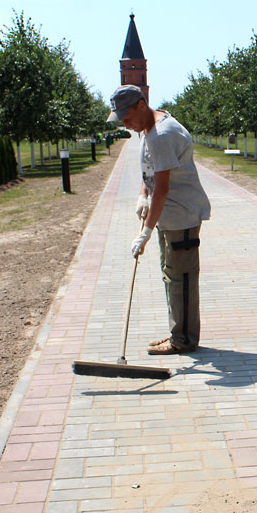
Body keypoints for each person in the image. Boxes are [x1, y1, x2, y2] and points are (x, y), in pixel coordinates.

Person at [107, 85, 211, 355]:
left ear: (141, 105)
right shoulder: (150, 129)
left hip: (181, 216)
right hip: (169, 214)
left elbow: (162, 189)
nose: (126, 125)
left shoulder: (162, 135)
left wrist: (146, 231)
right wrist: (143, 195)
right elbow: (151, 174)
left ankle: (184, 340)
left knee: (182, 279)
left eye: (126, 118)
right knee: (171, 276)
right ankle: (177, 332)